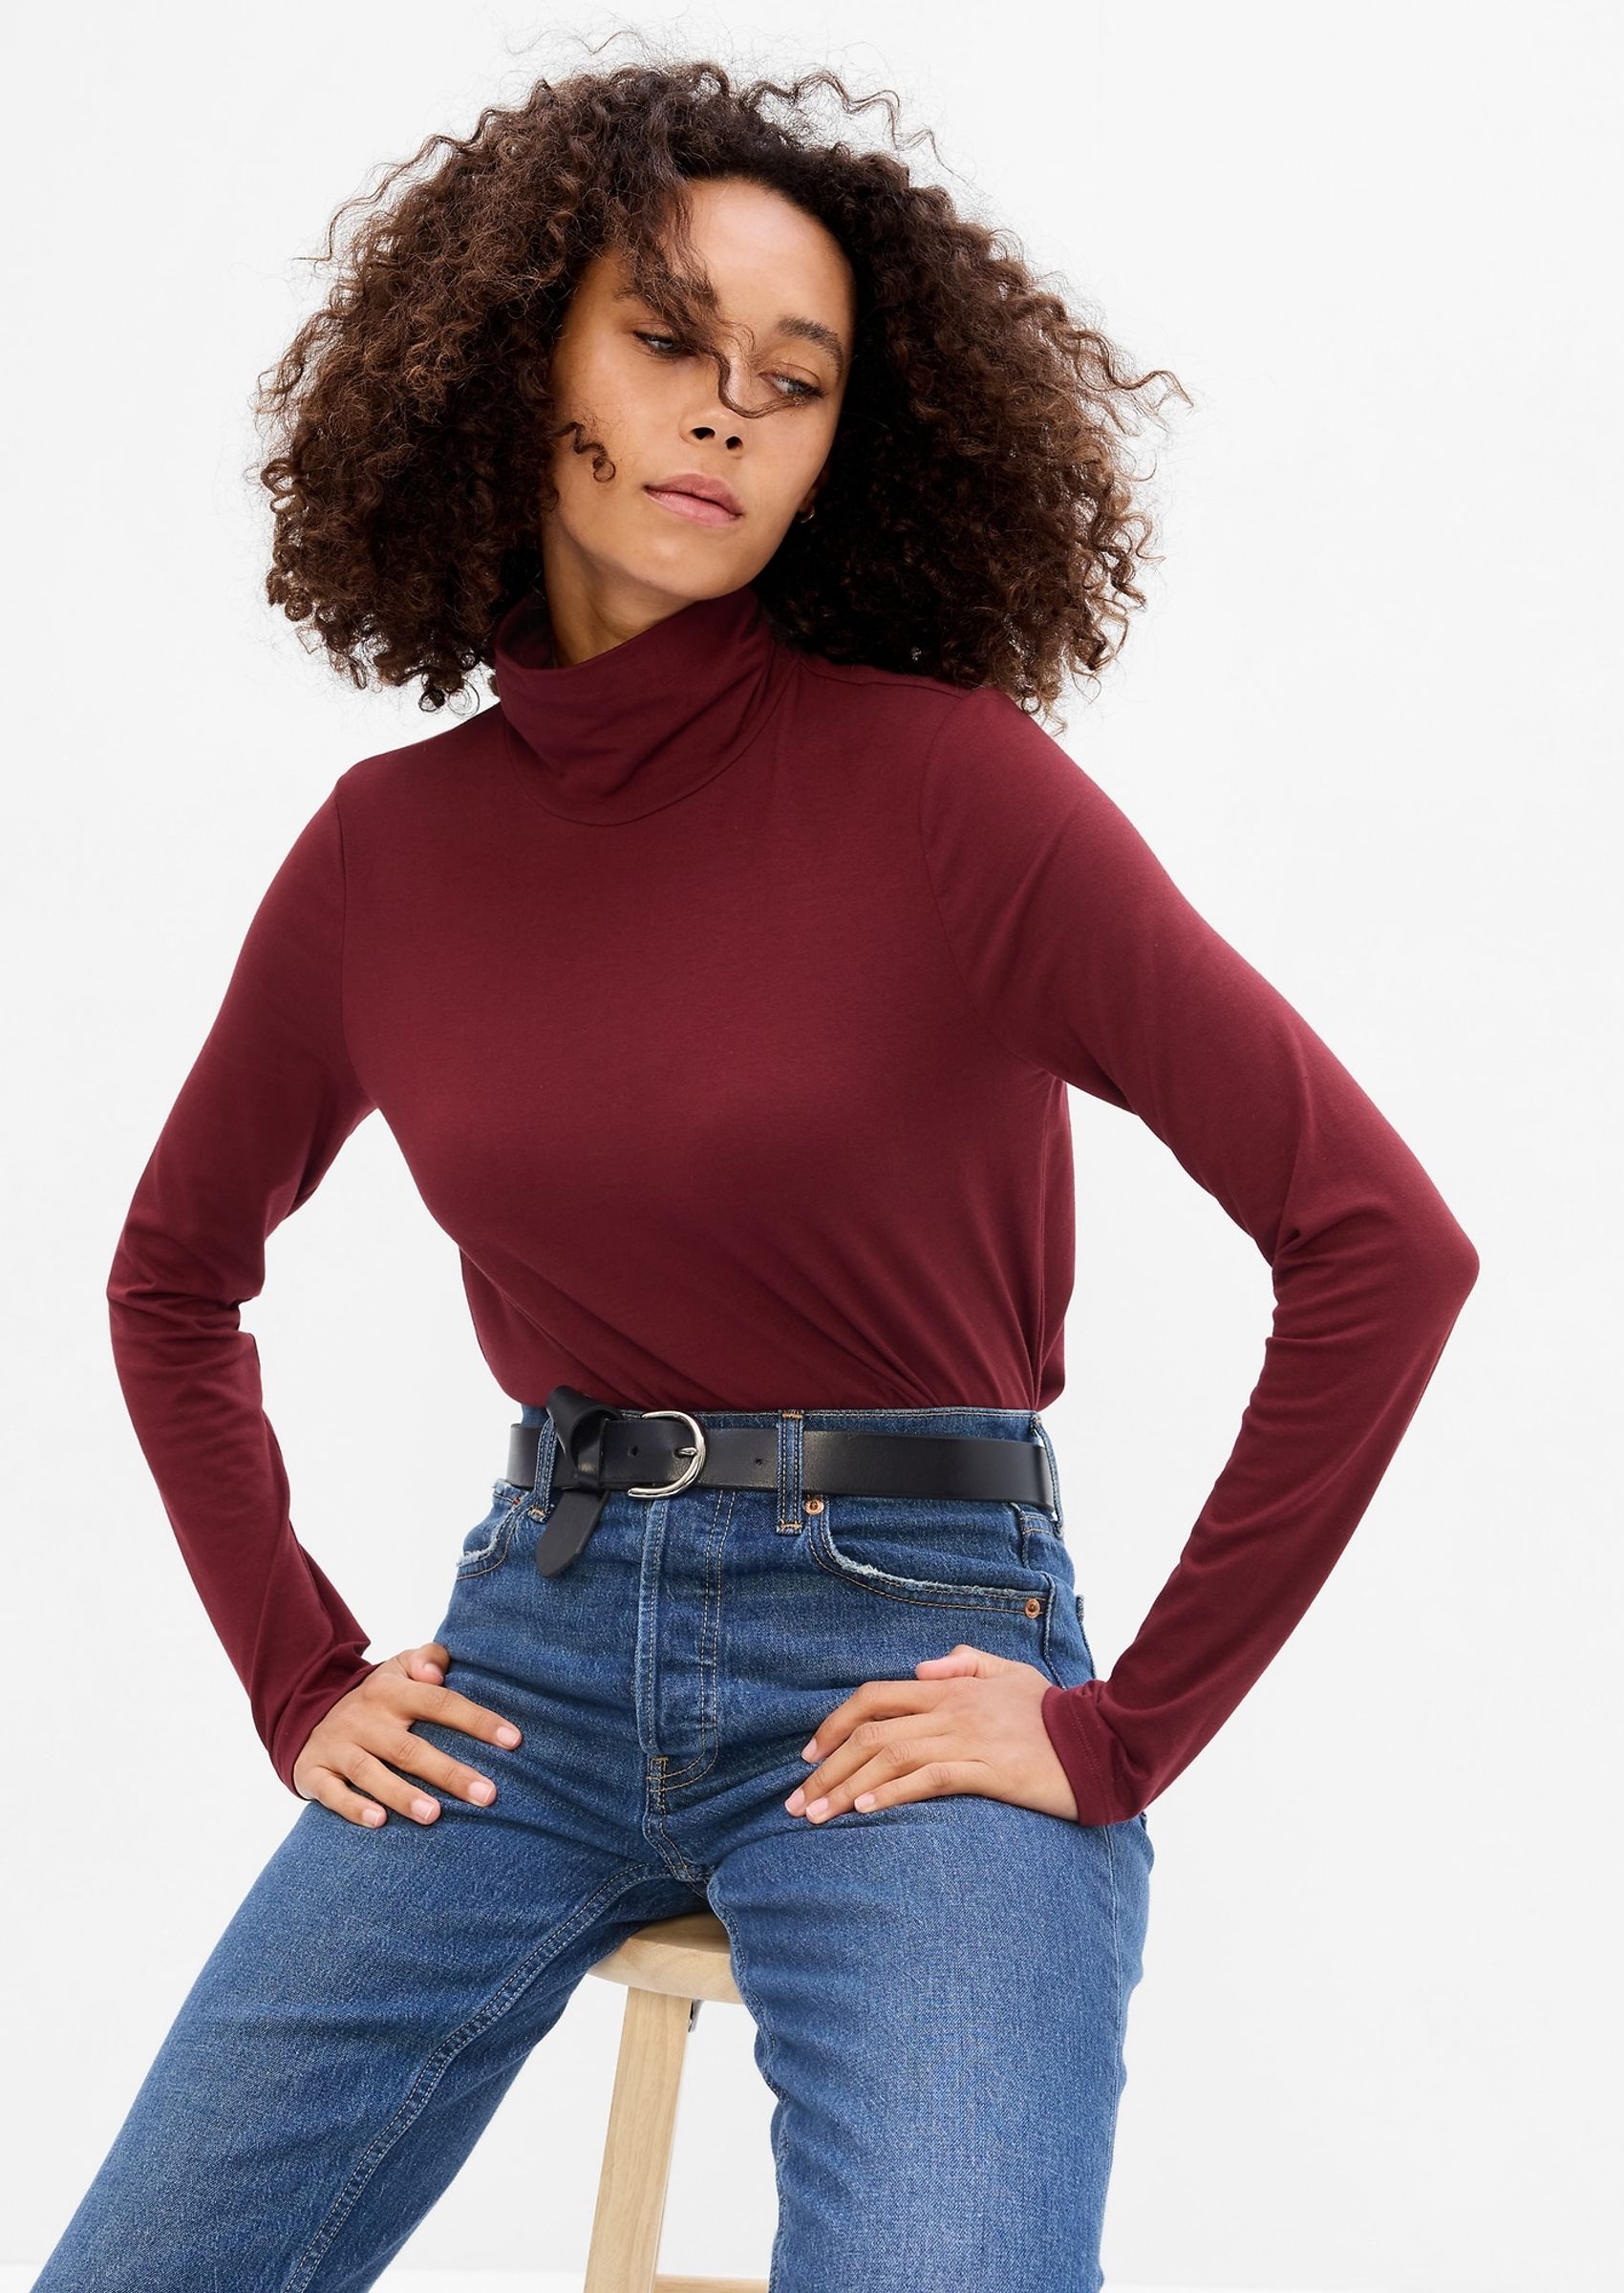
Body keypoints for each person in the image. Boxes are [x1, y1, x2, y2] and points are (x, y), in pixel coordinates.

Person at [32, 45, 1480, 2293]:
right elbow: (170, 1279)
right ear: (519, 367)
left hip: (908, 1659)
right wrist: (298, 1675)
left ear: (840, 454)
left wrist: (1120, 1736)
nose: (725, 413)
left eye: (791, 384)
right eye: (667, 341)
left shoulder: (957, 794)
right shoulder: (384, 854)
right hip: (528, 1657)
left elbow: (1383, 1243)